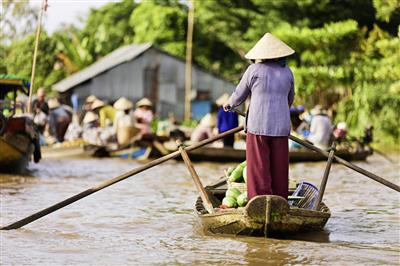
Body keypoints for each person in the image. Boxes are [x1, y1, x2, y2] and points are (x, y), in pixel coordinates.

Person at [223, 33, 295, 200]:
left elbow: (239, 94)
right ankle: (279, 200)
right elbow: (290, 98)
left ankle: (259, 201)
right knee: (279, 167)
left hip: (258, 126)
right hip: (281, 127)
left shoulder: (253, 70)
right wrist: (280, 113)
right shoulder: (287, 72)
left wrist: (229, 104)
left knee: (258, 166)